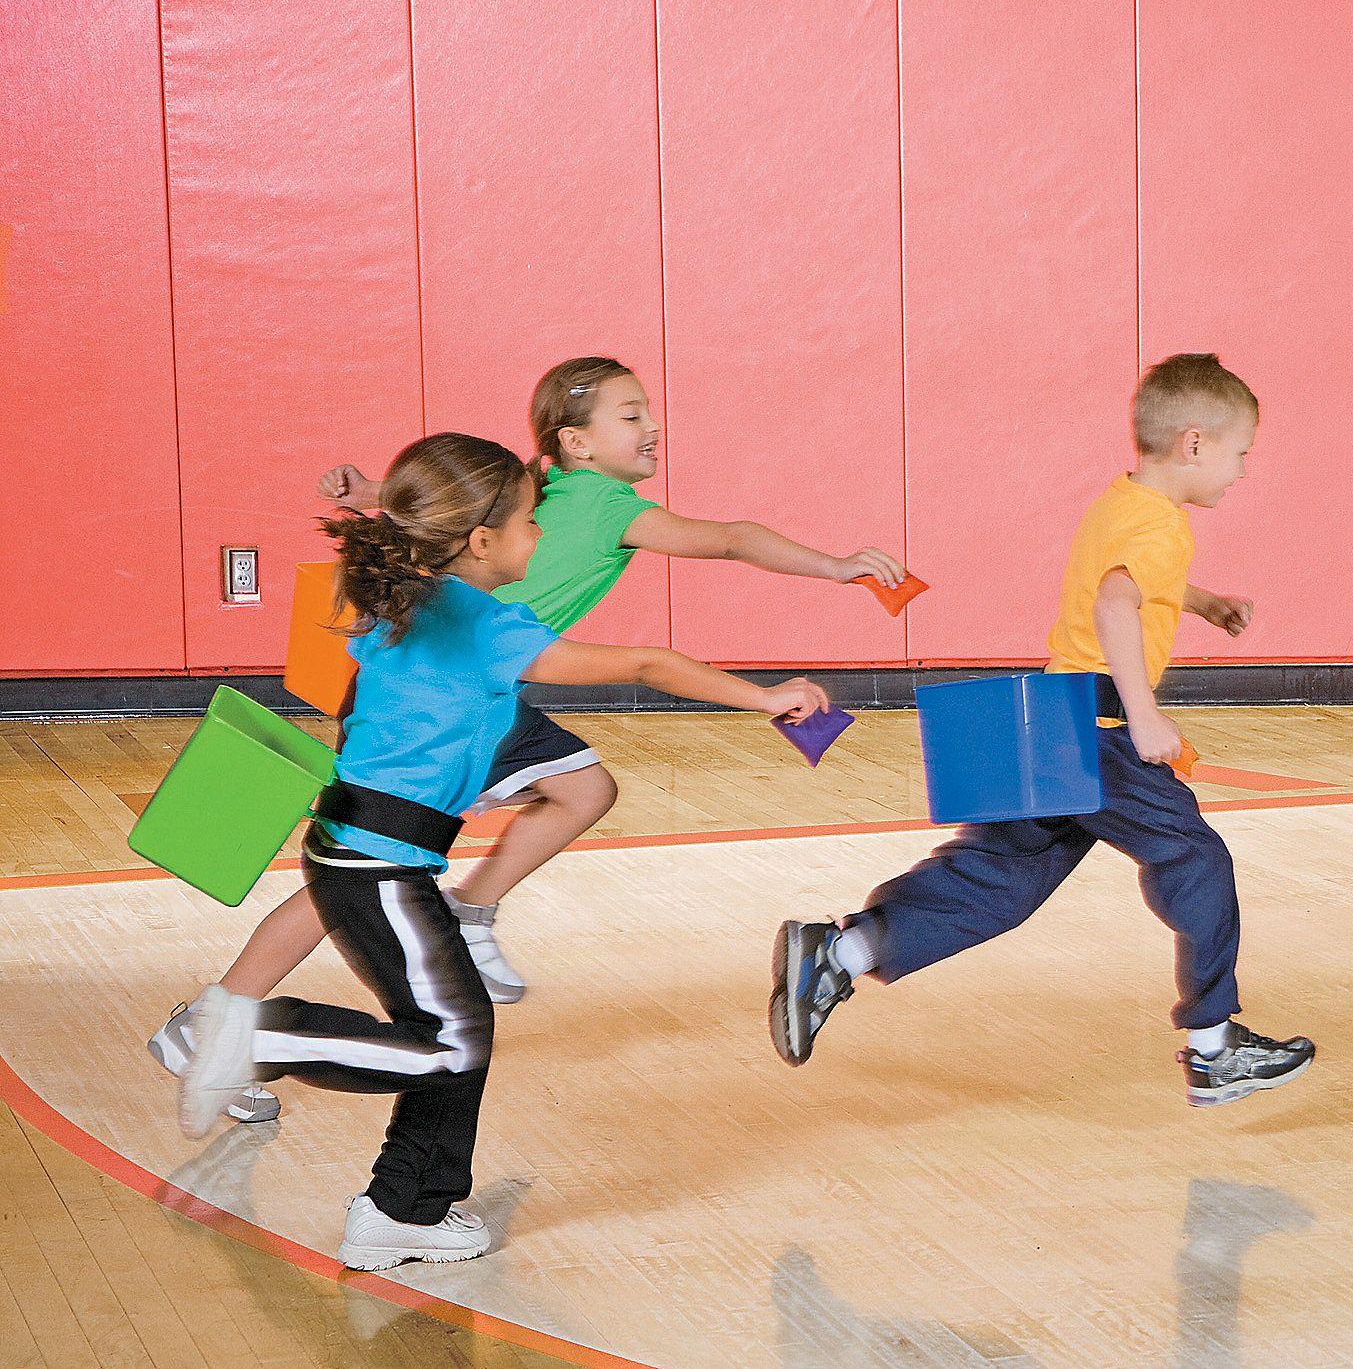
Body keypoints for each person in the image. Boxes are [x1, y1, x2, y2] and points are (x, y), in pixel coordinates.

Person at [151, 355, 903, 1122]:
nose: (653, 426)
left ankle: (237, 1010)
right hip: (464, 690)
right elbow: (730, 544)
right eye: (631, 414)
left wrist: (379, 495)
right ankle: (249, 1016)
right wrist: (822, 587)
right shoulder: (608, 509)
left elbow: (447, 503)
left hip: (438, 681)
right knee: (371, 873)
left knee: (376, 864)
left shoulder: (539, 491)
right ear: (574, 442)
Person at [178, 431, 828, 1271]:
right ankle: (257, 1040)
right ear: (480, 543)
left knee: (458, 1027)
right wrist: (764, 698)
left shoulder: (408, 595)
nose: (541, 538)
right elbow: (646, 660)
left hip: (361, 852)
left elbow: (396, 711)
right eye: (529, 523)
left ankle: (403, 1211)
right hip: (380, 865)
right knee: (448, 1041)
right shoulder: (482, 624)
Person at [769, 354, 1315, 1108]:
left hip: (1050, 724)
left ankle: (841, 949)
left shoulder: (1123, 503)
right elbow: (1116, 606)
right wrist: (1146, 714)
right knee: (1194, 856)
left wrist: (1205, 602)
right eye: (1240, 453)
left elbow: (1128, 582)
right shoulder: (1161, 526)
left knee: (1002, 878)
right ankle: (1215, 1046)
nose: (1242, 472)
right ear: (1195, 444)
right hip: (1101, 733)